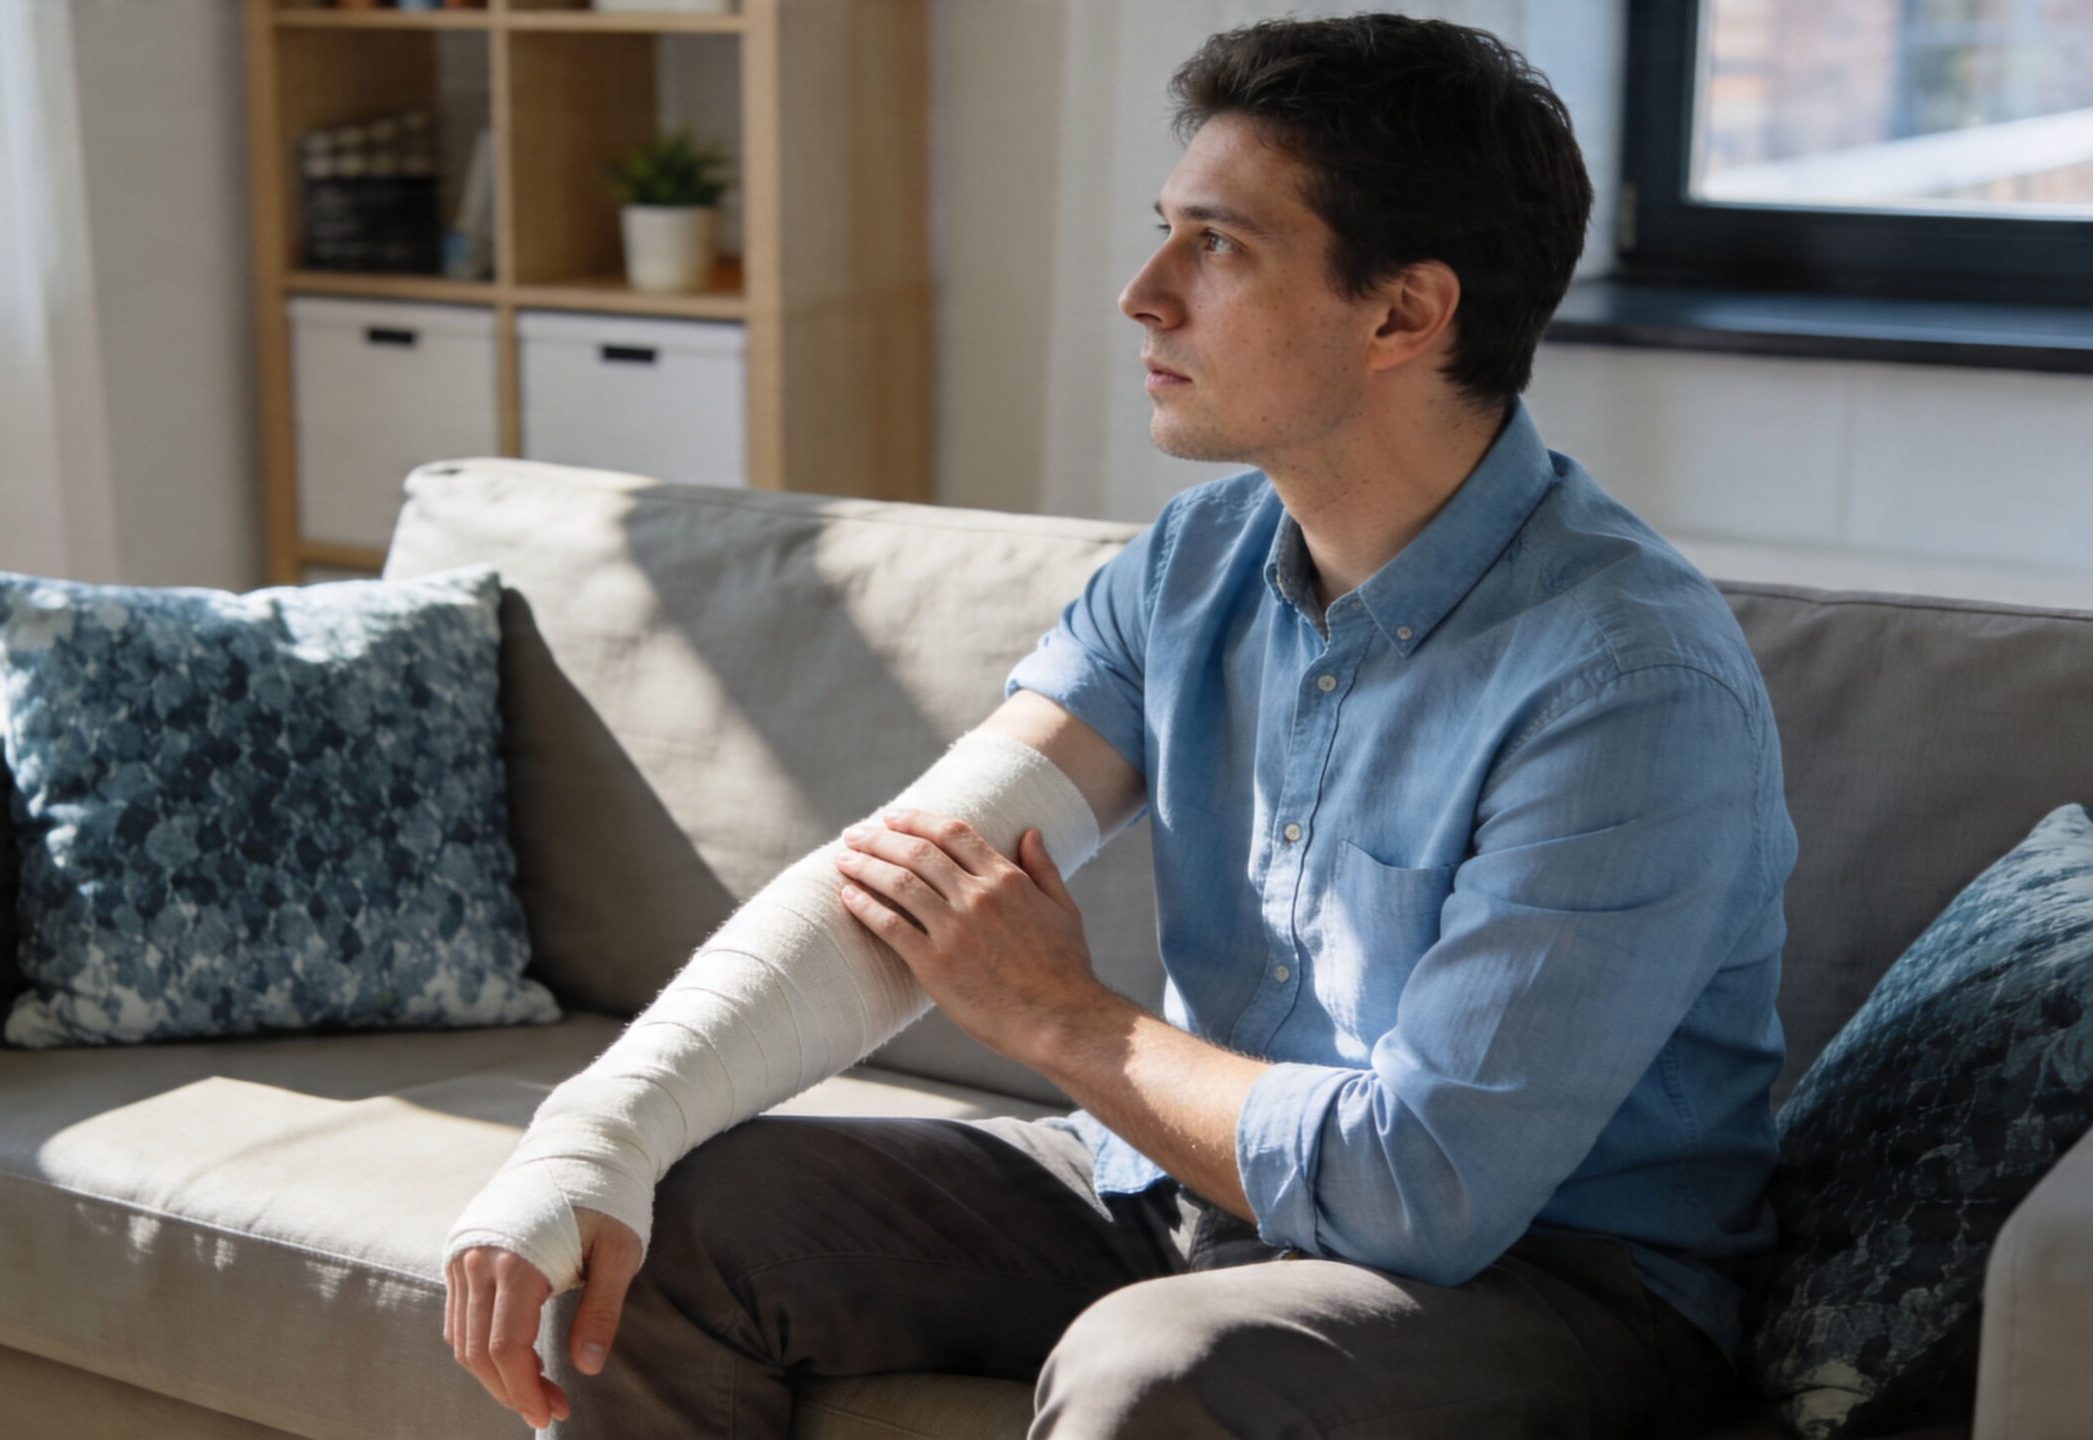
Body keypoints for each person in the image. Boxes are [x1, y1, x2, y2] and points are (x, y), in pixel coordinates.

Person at [444, 13, 1797, 1437]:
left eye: (1217, 246)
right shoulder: (1194, 564)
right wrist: (592, 1138)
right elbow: (911, 882)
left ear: (1404, 313)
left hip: (1554, 1280)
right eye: (1165, 231)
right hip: (1184, 1193)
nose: (1142, 294)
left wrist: (1061, 1020)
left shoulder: (1628, 687)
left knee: (1160, 1377)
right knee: (679, 1218)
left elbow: (1428, 1189)